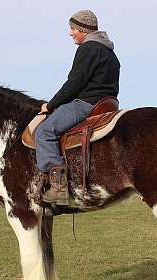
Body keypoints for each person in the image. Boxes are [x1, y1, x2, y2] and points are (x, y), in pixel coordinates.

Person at [36, 10, 120, 205]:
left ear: (82, 30)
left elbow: (74, 84)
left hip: (86, 104)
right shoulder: (109, 52)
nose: (70, 33)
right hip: (107, 105)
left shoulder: (88, 48)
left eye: (73, 29)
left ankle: (59, 188)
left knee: (44, 131)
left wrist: (51, 104)